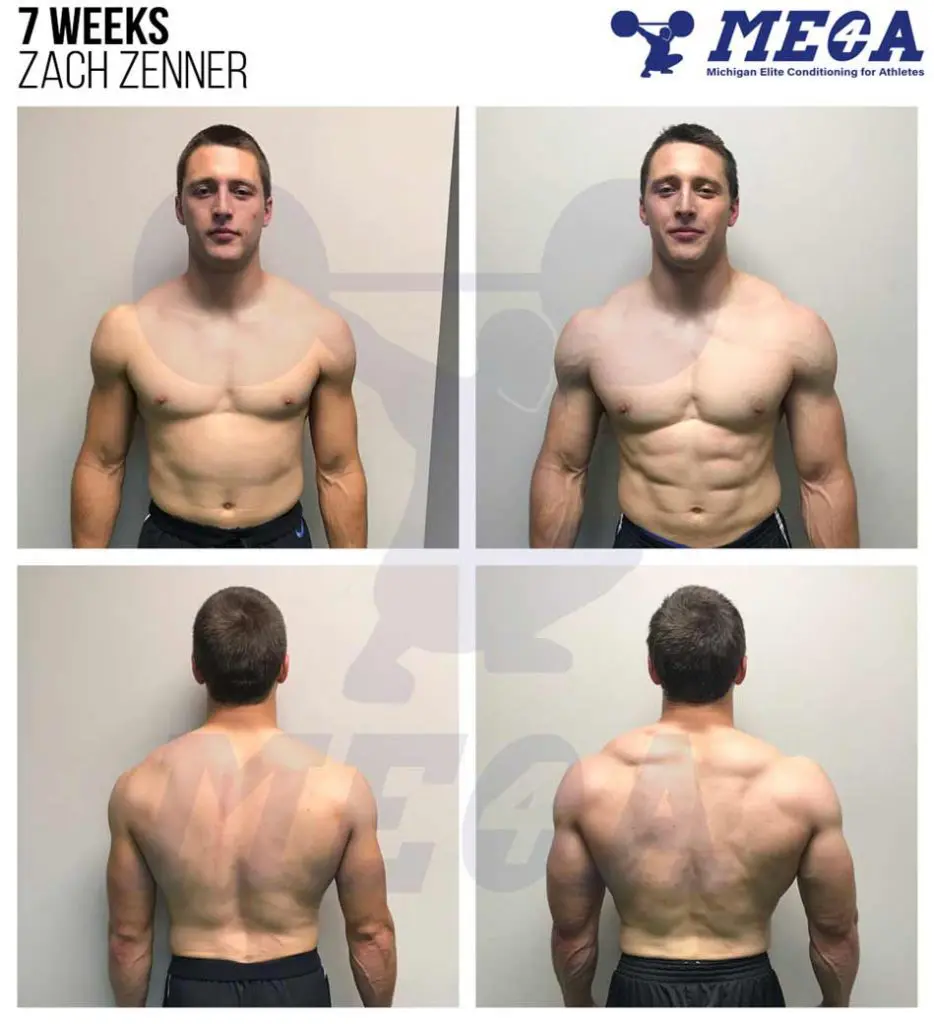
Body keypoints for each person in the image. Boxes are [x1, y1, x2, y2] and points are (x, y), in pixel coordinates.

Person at [529, 123, 859, 549]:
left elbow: (824, 478)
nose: (685, 206)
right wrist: (546, 573)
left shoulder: (793, 330)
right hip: (641, 540)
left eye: (706, 190)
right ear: (644, 208)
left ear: (733, 209)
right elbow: (562, 468)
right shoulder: (593, 335)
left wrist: (836, 581)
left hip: (756, 540)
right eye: (666, 189)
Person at [545, 585, 859, 1008]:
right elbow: (836, 933)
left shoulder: (591, 781)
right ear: (741, 669)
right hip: (748, 988)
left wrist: (578, 1007)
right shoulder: (799, 785)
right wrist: (835, 1009)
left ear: (653, 669)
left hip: (640, 987)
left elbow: (571, 934)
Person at [72, 124, 367, 548]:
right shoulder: (127, 330)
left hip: (281, 538)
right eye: (204, 190)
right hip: (170, 538)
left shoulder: (322, 332)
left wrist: (353, 577)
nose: (223, 207)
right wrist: (86, 571)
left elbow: (339, 470)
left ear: (266, 210)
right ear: (180, 207)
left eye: (241, 191)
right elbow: (101, 463)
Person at [105, 586, 396, 1007]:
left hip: (195, 988)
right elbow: (371, 933)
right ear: (283, 668)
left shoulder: (138, 788)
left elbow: (127, 938)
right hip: (296, 988)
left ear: (197, 669)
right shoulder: (341, 788)